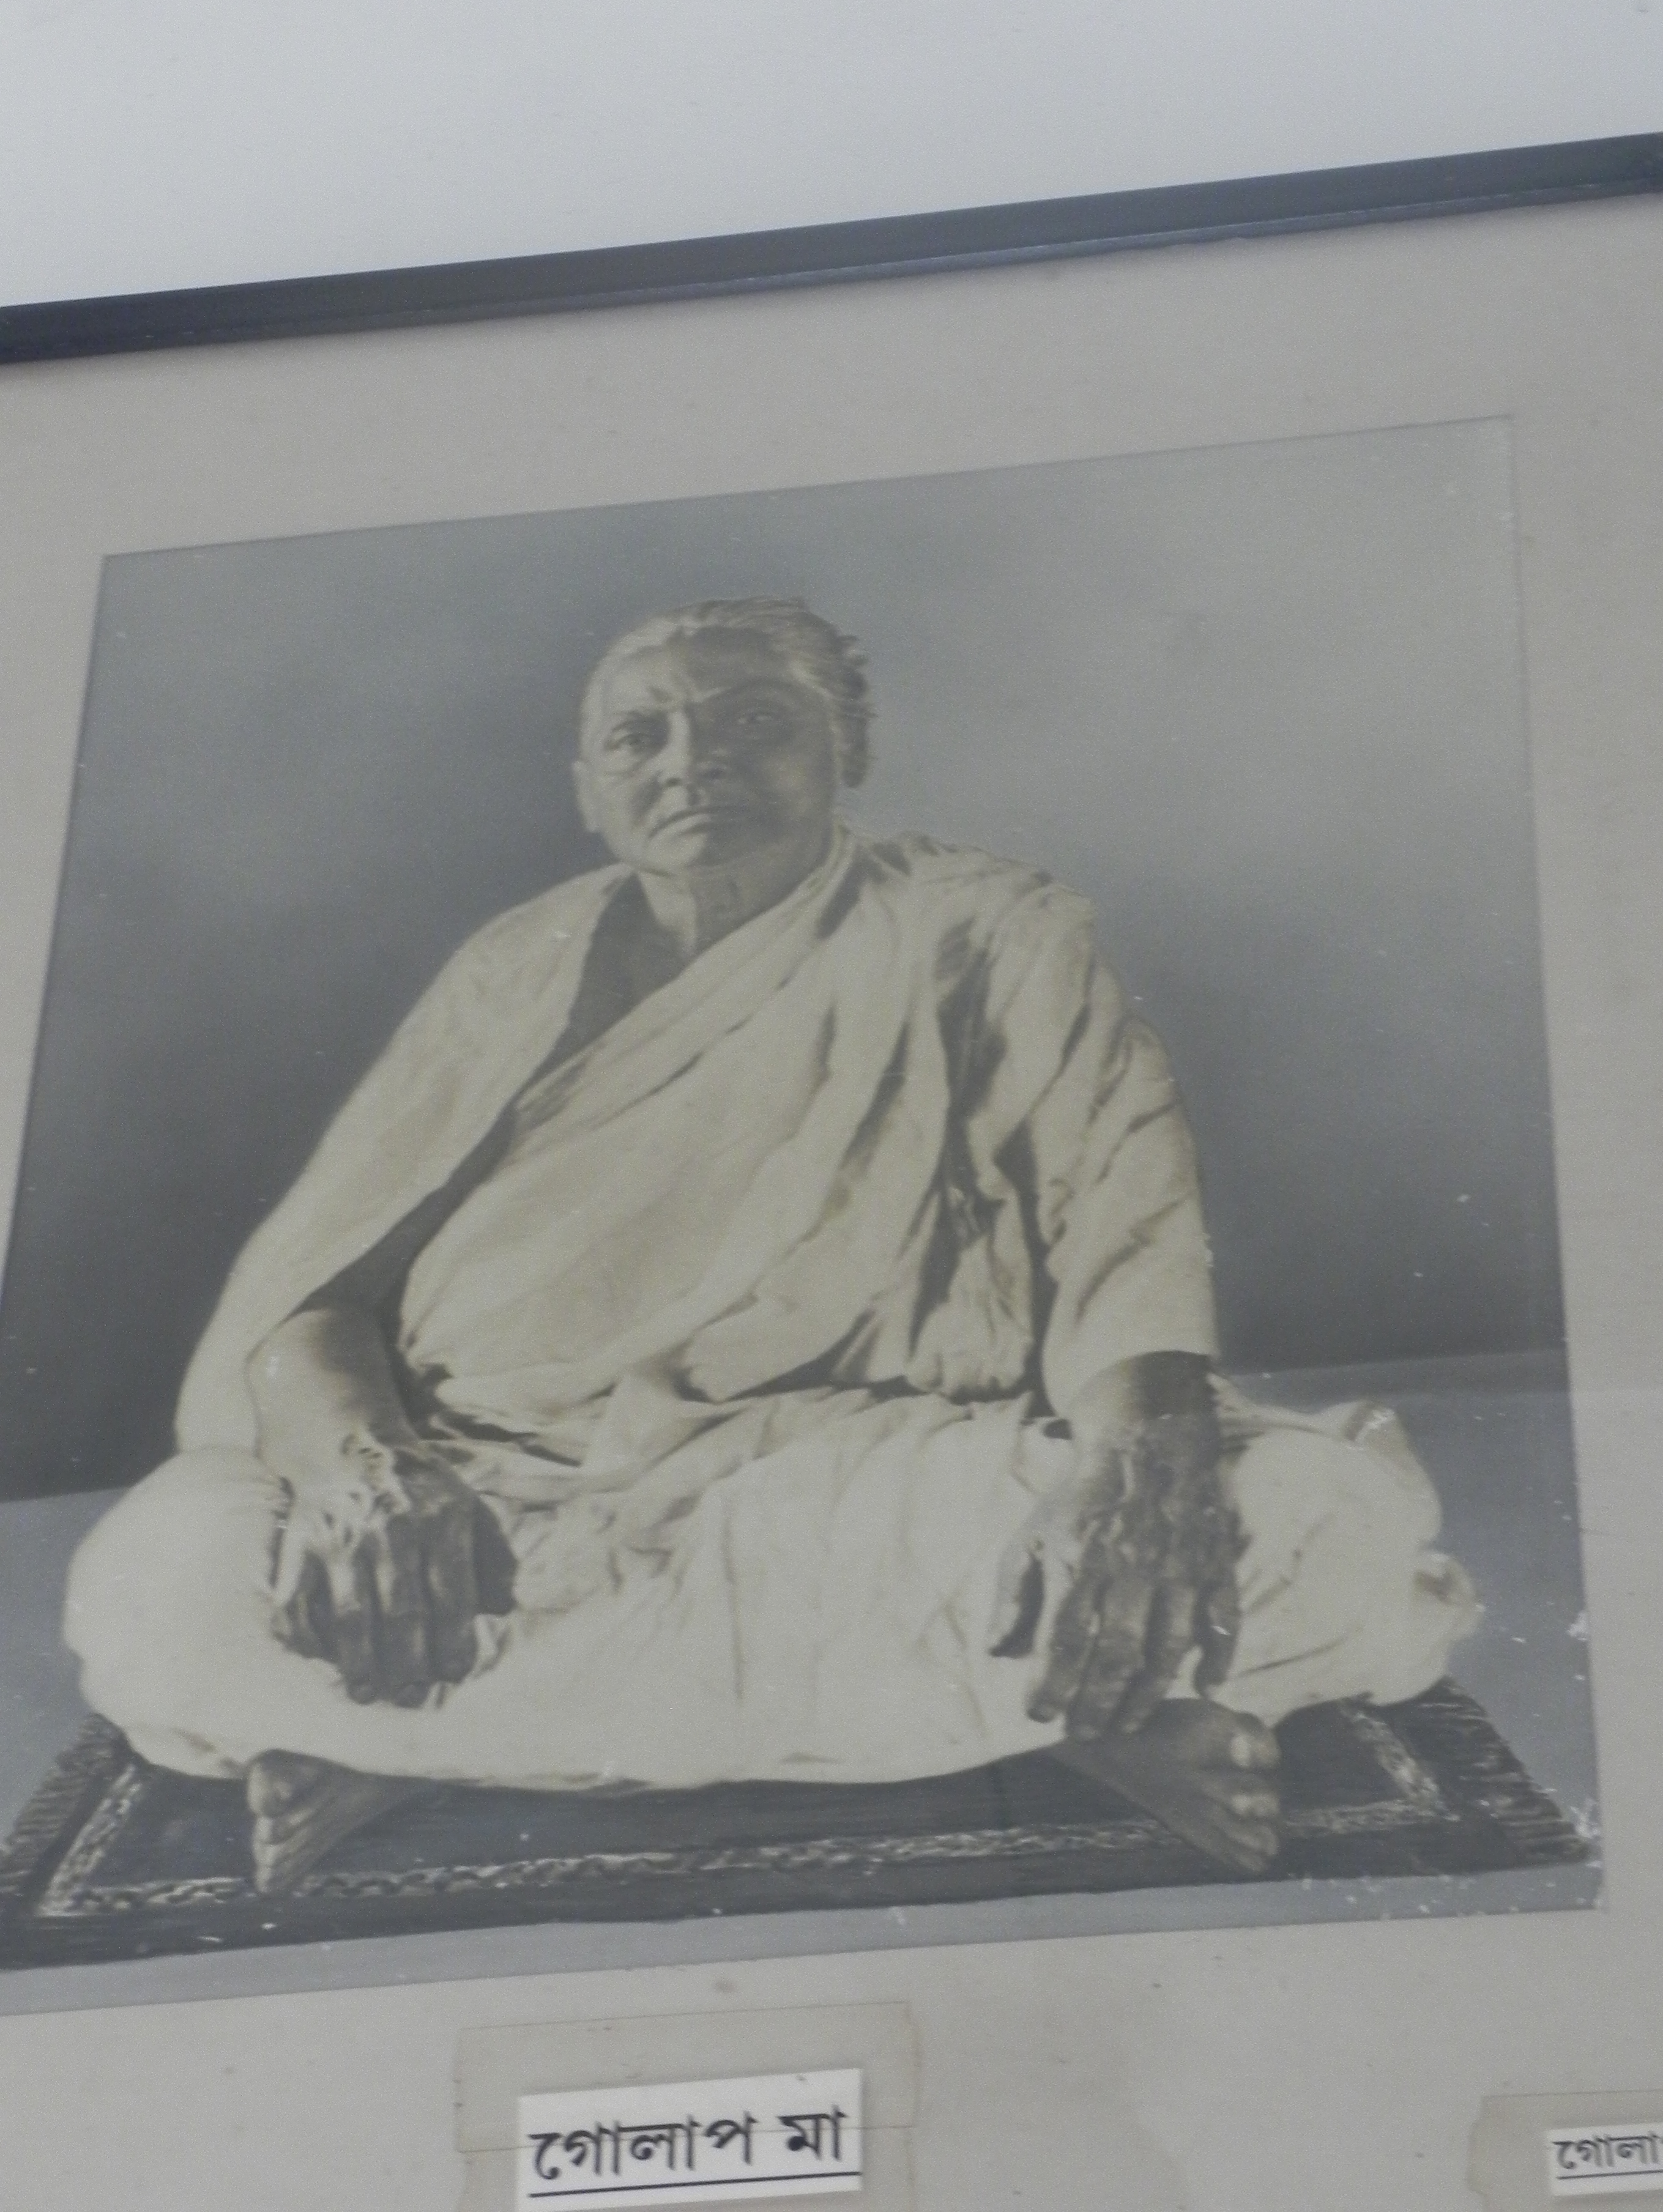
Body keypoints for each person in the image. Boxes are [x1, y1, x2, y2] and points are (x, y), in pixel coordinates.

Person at [65, 599, 1478, 1895]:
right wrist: (363, 1479)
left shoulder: (982, 927)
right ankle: (1067, 1715)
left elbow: (1121, 1218)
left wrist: (1131, 1483)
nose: (696, 762)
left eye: (754, 721)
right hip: (496, 1494)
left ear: (847, 748)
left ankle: (415, 1738)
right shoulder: (513, 968)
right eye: (642, 736)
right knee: (162, 1589)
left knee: (1323, 1530)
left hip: (878, 1480)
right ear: (588, 786)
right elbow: (318, 1298)